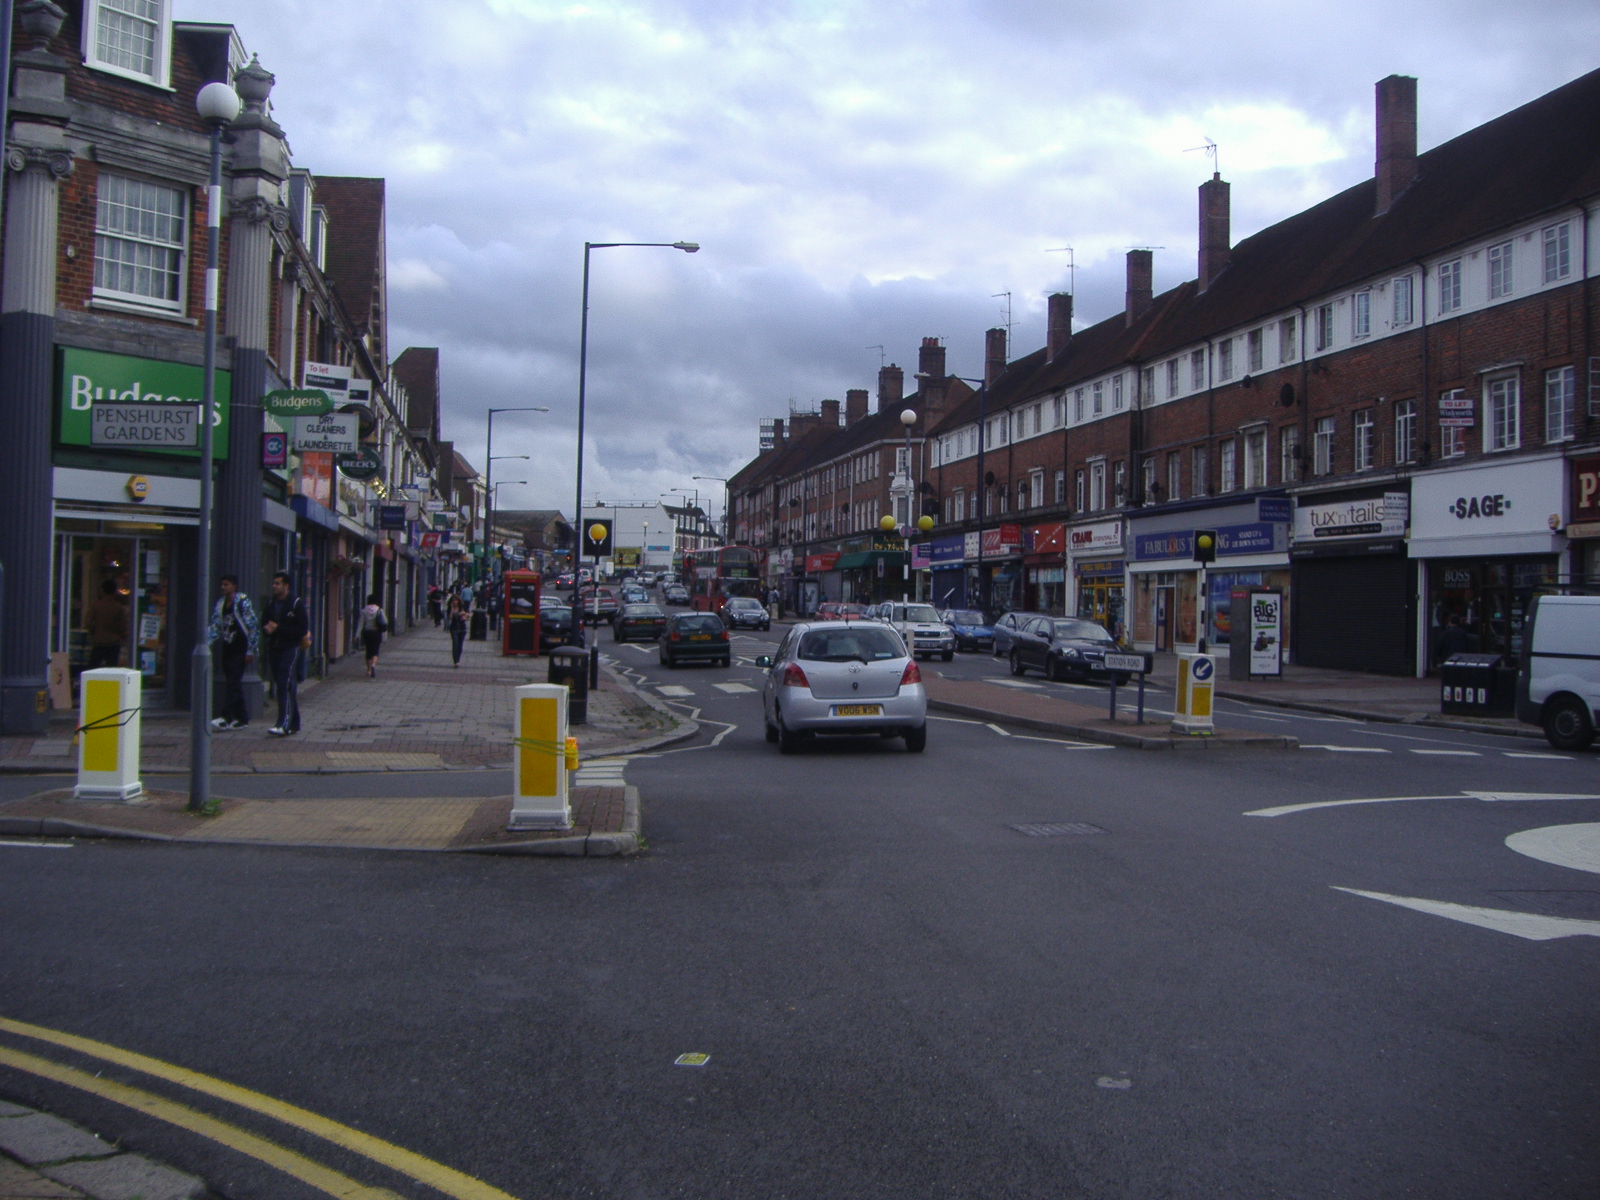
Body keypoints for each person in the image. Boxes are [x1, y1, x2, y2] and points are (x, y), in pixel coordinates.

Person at [208, 575, 259, 730]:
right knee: (233, 682)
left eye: (226, 584)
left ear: (234, 586)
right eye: (222, 584)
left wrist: (250, 650)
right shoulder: (220, 604)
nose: (223, 587)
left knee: (233, 681)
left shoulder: (243, 602)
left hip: (240, 648)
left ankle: (226, 717)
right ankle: (242, 717)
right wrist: (206, 642)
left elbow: (253, 626)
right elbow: (215, 625)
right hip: (227, 647)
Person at [261, 572, 309, 736]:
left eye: (278, 583)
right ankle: (294, 722)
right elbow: (265, 623)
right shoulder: (271, 603)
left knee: (284, 683)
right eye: (273, 583)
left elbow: (302, 630)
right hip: (275, 647)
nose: (274, 586)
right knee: (285, 684)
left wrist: (278, 628)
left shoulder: (296, 604)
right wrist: (267, 630)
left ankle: (283, 723)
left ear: (286, 585)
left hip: (290, 647)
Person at [84, 580, 128, 670]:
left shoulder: (96, 605)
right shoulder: (118, 607)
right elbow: (123, 626)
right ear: (115, 591)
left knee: (93, 669)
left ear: (102, 590)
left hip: (99, 641)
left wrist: (94, 632)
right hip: (114, 642)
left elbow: (88, 622)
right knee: (112, 670)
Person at [359, 592, 388, 677]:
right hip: (376, 633)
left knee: (368, 651)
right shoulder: (379, 610)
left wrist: (356, 635)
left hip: (367, 633)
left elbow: (360, 624)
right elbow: (385, 621)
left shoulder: (364, 611)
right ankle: (373, 665)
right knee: (375, 651)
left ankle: (368, 670)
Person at [447, 590, 468, 667]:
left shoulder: (462, 607)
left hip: (462, 628)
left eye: (456, 600)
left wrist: (464, 615)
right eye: (453, 600)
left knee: (460, 645)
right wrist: (452, 608)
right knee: (455, 643)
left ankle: (458, 659)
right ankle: (456, 661)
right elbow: (450, 617)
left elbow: (467, 615)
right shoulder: (450, 608)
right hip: (454, 628)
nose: (455, 602)